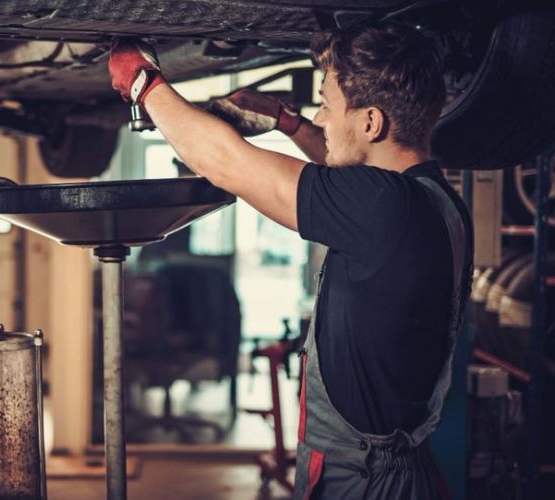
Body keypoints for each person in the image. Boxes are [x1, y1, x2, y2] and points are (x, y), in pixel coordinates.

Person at [109, 20, 473, 499]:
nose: (321, 119)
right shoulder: (430, 198)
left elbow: (226, 162)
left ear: (370, 123)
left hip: (363, 479)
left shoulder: (383, 207)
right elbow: (338, 167)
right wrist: (287, 122)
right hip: (388, 466)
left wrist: (144, 83)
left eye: (326, 105)